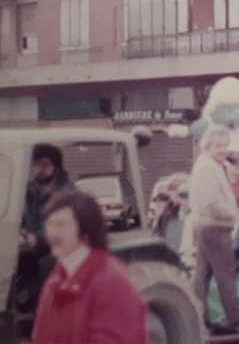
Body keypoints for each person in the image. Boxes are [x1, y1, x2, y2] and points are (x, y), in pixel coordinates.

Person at [32, 190, 148, 344]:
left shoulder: (112, 282)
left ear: (85, 232)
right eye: (50, 224)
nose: (53, 233)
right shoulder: (56, 279)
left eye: (61, 225)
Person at [190, 125, 239, 329]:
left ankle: (197, 317)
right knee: (225, 272)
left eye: (225, 145)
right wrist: (232, 215)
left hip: (206, 225)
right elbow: (211, 202)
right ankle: (234, 316)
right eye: (218, 145)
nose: (223, 150)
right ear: (208, 145)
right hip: (215, 226)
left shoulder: (208, 164)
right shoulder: (208, 168)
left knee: (202, 274)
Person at [18, 144, 74, 315]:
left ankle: (45, 313)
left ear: (55, 168)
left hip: (62, 250)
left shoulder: (67, 194)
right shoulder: (26, 191)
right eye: (36, 165)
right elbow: (17, 217)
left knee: (46, 264)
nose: (39, 170)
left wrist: (38, 240)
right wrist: (19, 232)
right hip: (33, 247)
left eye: (44, 165)